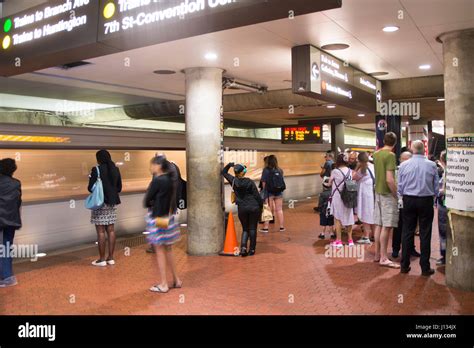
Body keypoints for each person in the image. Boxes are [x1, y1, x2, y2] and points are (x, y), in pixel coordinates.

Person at [398, 140, 438, 276]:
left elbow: (400, 186)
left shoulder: (403, 165)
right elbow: (436, 187)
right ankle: (425, 267)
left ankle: (404, 265)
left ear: (412, 150)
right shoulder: (432, 165)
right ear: (424, 150)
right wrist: (434, 197)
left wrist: (402, 197)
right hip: (426, 200)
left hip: (408, 200)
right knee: (425, 233)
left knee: (407, 232)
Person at [145, 156, 182, 292]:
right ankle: (176, 279)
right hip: (168, 216)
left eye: (153, 165)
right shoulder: (171, 180)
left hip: (158, 217)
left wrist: (151, 201)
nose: (151, 167)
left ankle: (164, 284)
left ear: (159, 166)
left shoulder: (158, 180)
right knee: (168, 248)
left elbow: (146, 200)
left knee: (159, 250)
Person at [146, 154, 186, 254]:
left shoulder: (160, 176)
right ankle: (165, 246)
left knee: (160, 231)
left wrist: (150, 202)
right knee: (165, 230)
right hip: (171, 206)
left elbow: (151, 195)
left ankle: (158, 247)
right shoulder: (173, 168)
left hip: (160, 207)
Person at [88, 149, 122, 267]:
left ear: (99, 159)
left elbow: (90, 187)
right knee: (111, 230)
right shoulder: (115, 169)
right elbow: (119, 188)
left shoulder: (96, 170)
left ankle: (102, 259)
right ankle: (111, 258)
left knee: (101, 231)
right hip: (111, 204)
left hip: (100, 204)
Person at [222, 162, 263, 256]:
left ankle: (243, 249)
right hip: (254, 207)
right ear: (242, 172)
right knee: (252, 228)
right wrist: (261, 206)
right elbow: (257, 195)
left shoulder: (233, 180)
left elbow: (224, 172)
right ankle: (252, 250)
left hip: (242, 208)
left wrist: (229, 165)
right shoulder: (249, 182)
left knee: (245, 229)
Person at [373, 132, 400, 268]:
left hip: (377, 192)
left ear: (383, 141)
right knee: (387, 226)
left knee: (378, 224)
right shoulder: (391, 155)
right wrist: (397, 195)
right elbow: (390, 179)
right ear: (395, 143)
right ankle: (384, 258)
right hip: (387, 194)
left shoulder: (376, 154)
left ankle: (378, 254)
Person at [391, 151, 420, 258]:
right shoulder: (397, 170)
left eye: (407, 159)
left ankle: (410, 248)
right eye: (403, 159)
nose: (405, 161)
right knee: (398, 226)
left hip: (410, 200)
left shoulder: (414, 170)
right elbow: (395, 185)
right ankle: (395, 249)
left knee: (411, 226)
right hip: (400, 201)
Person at [0, 159, 22, 288]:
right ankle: (7, 275)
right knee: (6, 248)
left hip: (1, 221)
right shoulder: (16, 183)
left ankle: (8, 277)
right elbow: (18, 202)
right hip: (11, 221)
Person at [328, 153, 355, 248]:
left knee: (337, 219)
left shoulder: (335, 171)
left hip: (338, 197)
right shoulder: (350, 171)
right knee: (349, 217)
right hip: (348, 197)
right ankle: (350, 240)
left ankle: (338, 241)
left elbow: (329, 183)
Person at [260, 155, 286, 233]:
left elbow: (263, 183)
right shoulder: (280, 170)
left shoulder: (266, 170)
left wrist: (264, 191)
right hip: (279, 192)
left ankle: (266, 228)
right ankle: (281, 227)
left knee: (268, 210)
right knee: (279, 210)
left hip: (269, 192)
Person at [353, 152, 375, 244]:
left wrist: (356, 168)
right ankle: (374, 234)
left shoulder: (362, 169)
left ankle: (366, 236)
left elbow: (354, 177)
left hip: (365, 194)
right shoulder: (373, 166)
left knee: (366, 214)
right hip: (372, 192)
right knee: (372, 214)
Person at [436, 150, 447, 266]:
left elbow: (444, 189)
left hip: (444, 204)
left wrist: (437, 191)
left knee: (443, 231)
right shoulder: (447, 171)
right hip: (446, 203)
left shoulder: (447, 172)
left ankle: (444, 256)